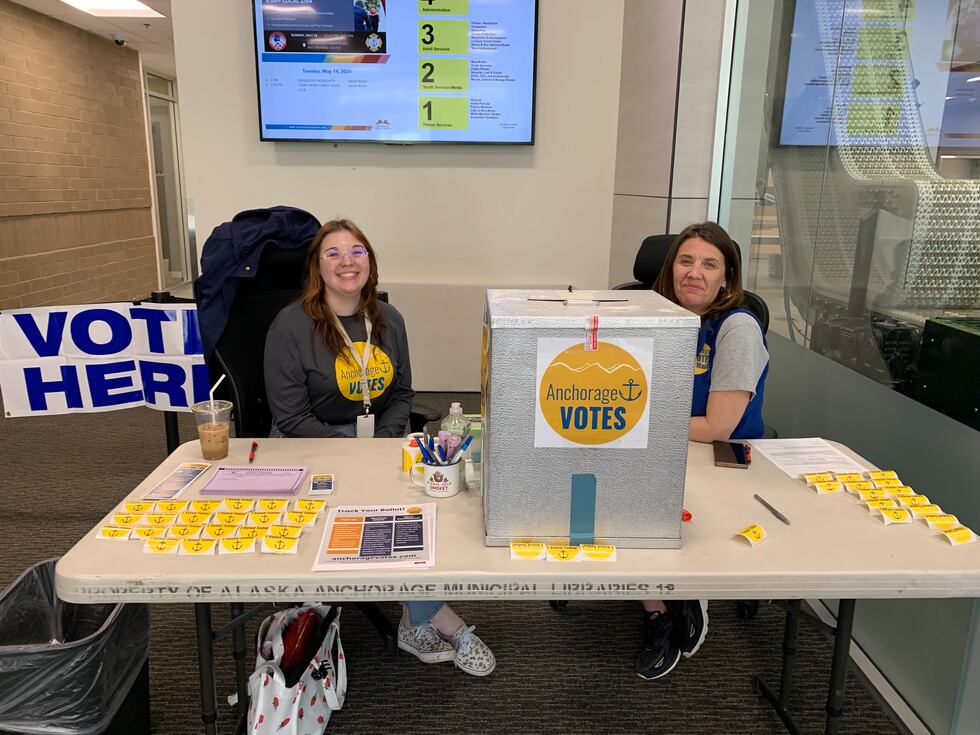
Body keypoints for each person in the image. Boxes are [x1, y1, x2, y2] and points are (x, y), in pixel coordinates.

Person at [264, 219, 496, 676]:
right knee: (381, 511)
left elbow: (404, 395)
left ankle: (416, 616)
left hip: (377, 442)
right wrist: (353, 450)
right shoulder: (291, 326)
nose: (346, 261)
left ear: (370, 263)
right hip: (307, 446)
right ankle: (438, 617)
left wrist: (387, 441)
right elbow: (290, 417)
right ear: (317, 267)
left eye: (357, 252)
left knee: (417, 512)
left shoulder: (390, 321)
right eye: (333, 253)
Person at [634, 221, 770, 680]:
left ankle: (688, 587)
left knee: (659, 511)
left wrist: (633, 424)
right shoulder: (654, 317)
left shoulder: (737, 328)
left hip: (722, 457)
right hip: (656, 446)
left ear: (727, 278)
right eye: (685, 260)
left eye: (709, 264)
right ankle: (660, 609)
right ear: (671, 269)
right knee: (621, 497)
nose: (694, 272)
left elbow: (717, 425)